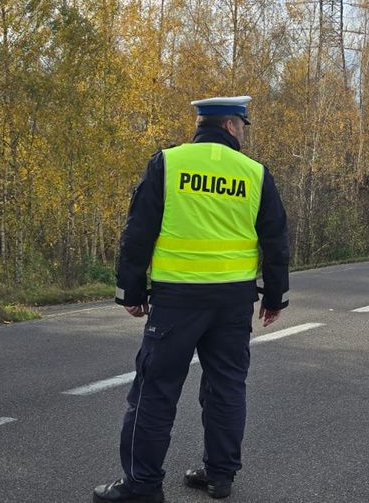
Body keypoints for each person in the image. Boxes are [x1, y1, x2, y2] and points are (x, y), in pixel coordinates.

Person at [94, 96, 290, 502]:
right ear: (232, 127)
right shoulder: (254, 173)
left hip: (177, 300)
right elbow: (275, 240)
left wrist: (129, 292)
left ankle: (142, 486)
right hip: (233, 302)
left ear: (202, 123)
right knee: (227, 387)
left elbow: (137, 233)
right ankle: (220, 476)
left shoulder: (167, 163)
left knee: (155, 390)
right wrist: (274, 296)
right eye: (243, 127)